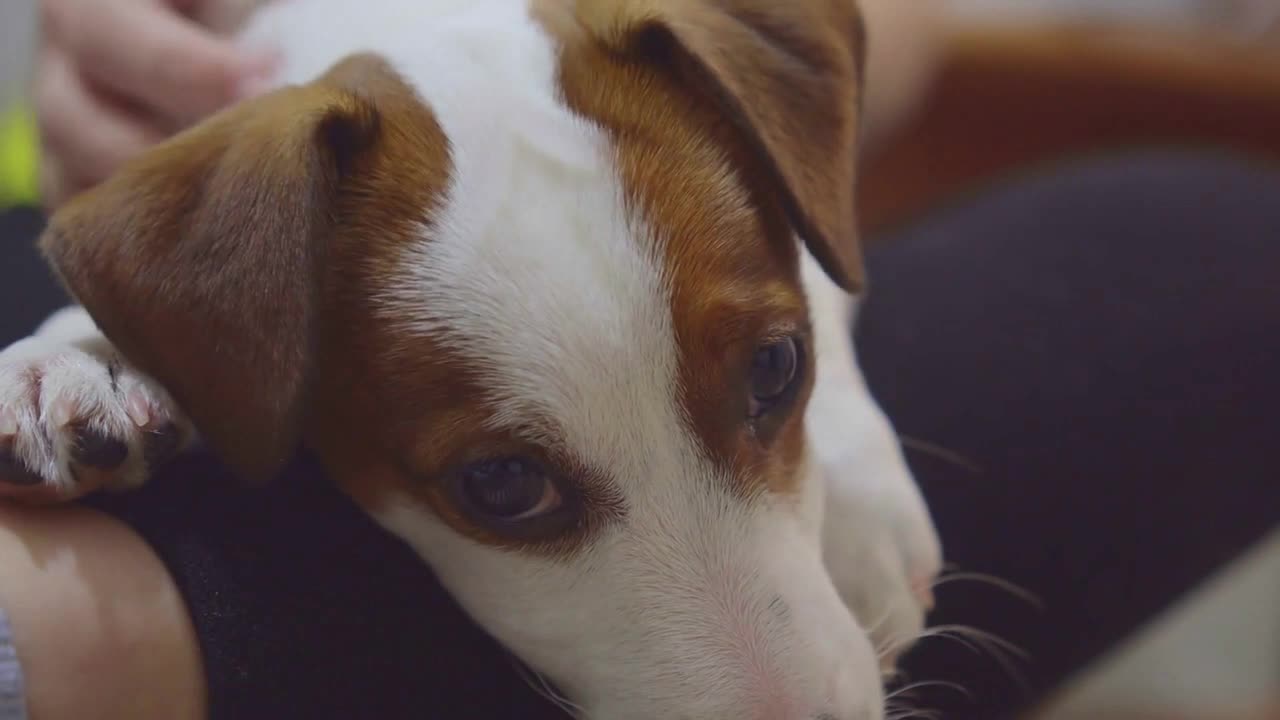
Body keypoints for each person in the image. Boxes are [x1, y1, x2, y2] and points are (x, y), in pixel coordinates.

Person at [1, 1, 1277, 719]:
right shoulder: (284, 212)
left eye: (768, 378)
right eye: (508, 487)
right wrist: (111, 336)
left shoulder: (649, 71)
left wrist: (826, 391)